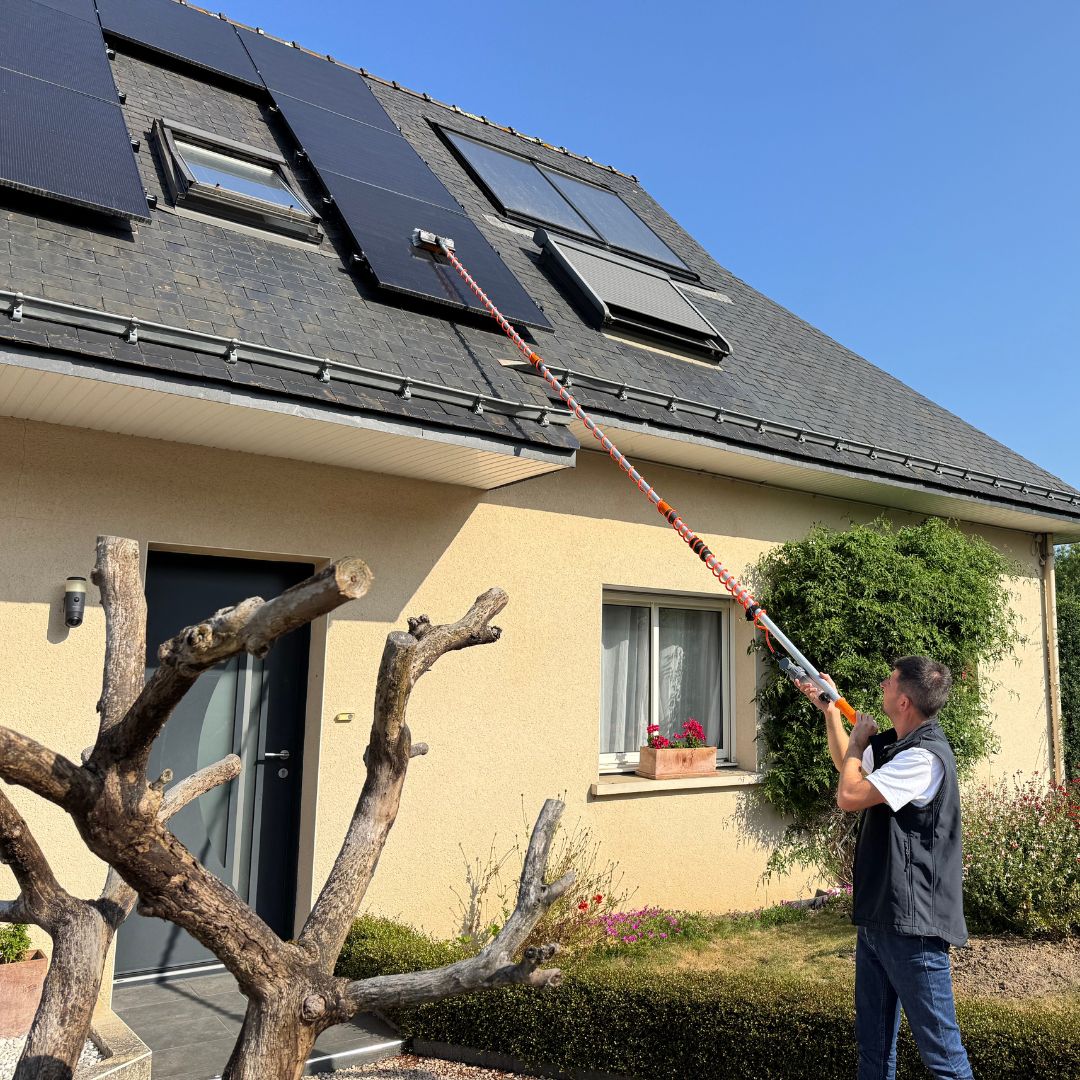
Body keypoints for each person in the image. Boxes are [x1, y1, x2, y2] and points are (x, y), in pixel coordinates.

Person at [799, 657, 973, 1080]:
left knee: (944, 1060)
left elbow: (850, 795)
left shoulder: (924, 759)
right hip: (880, 919)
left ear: (905, 700)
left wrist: (859, 743)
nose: (882, 682)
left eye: (890, 680)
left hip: (913, 929)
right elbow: (849, 768)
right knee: (874, 1056)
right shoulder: (898, 747)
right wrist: (831, 713)